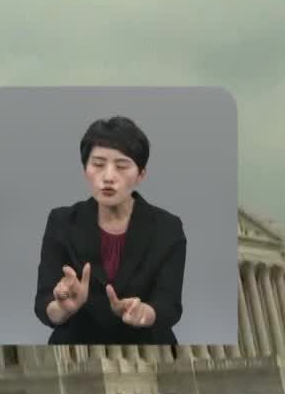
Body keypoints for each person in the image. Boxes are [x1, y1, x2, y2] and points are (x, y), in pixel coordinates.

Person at [33, 116, 185, 345]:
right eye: (98, 164)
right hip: (78, 349)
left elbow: (170, 304)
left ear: (141, 175)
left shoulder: (168, 228)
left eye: (122, 166)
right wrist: (62, 308)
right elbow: (44, 302)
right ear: (85, 170)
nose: (108, 177)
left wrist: (145, 312)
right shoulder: (61, 222)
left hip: (148, 346)